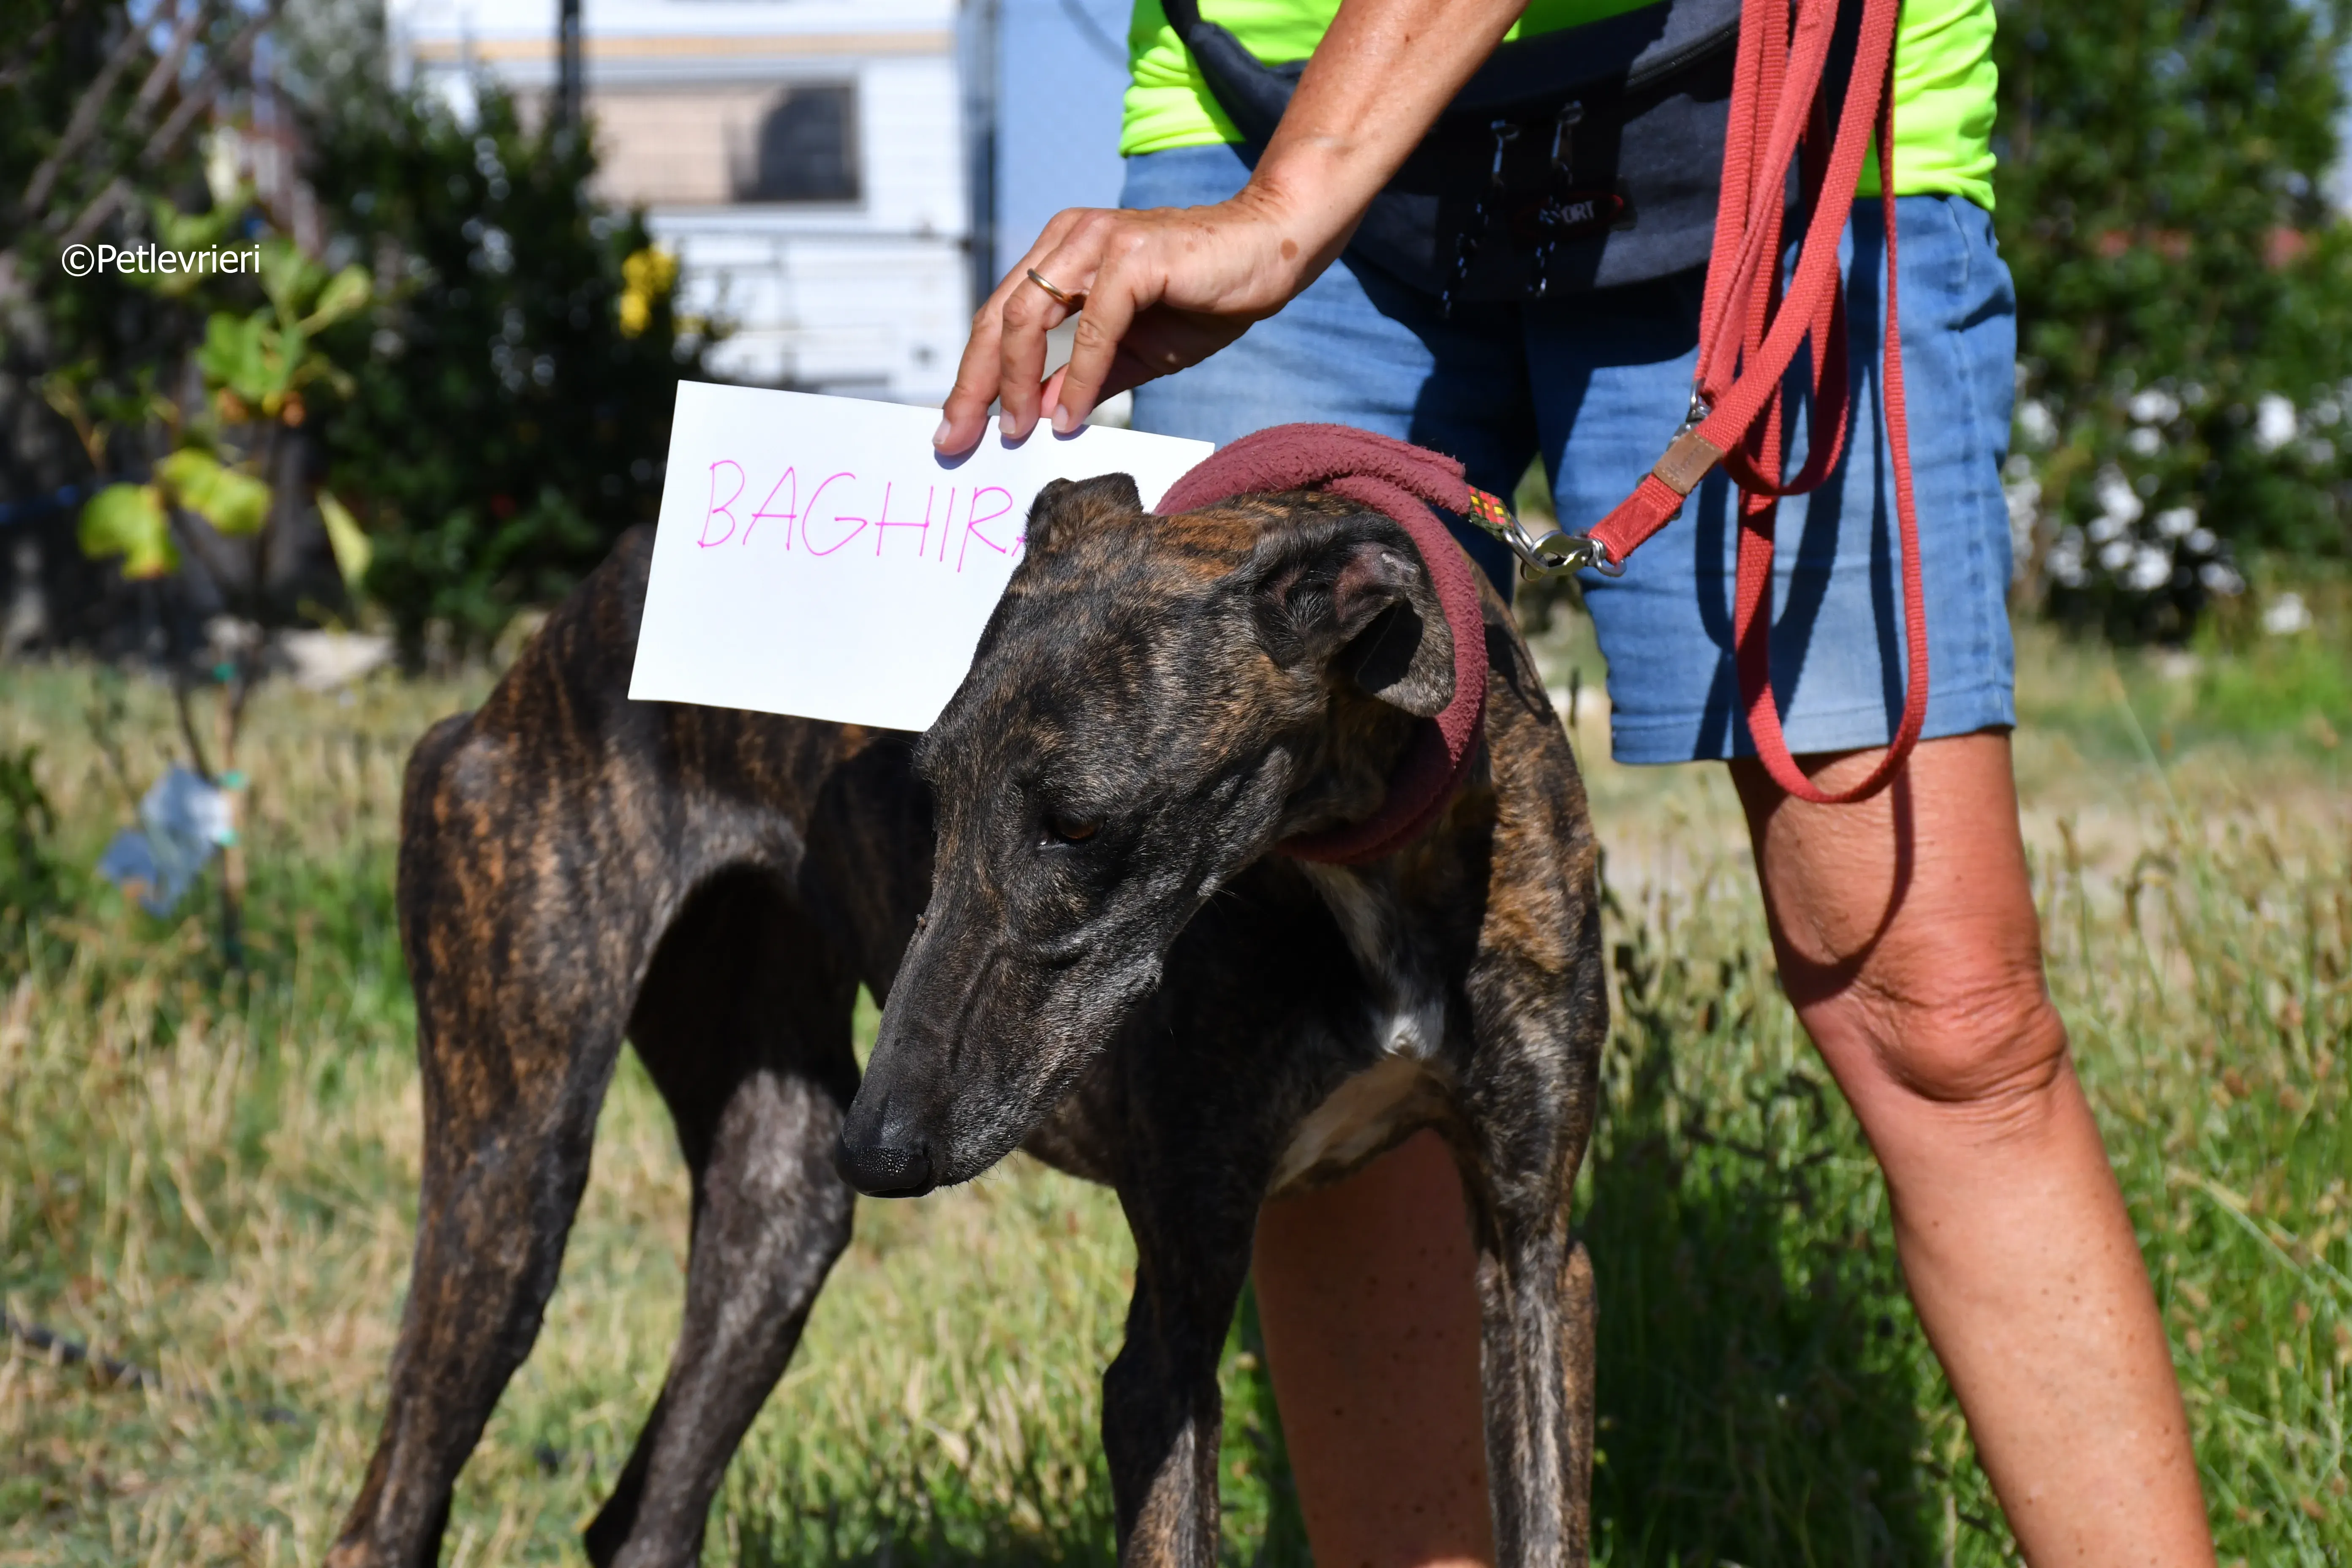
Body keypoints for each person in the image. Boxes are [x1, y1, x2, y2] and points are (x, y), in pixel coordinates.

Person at [935, 0, 2217, 1560]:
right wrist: (1283, 188)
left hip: (1760, 115)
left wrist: (1285, 217)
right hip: (1265, 90)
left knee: (1938, 1008)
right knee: (1303, 998)